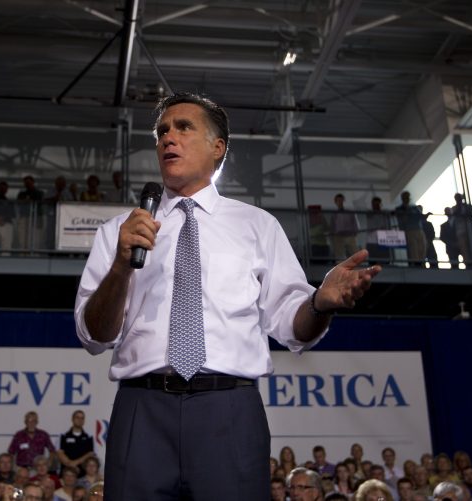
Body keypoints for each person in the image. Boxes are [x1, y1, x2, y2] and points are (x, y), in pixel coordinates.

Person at [74, 92, 380, 500]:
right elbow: (95, 335)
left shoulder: (257, 225)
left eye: (183, 128)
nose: (168, 138)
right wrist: (119, 265)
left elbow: (293, 326)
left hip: (230, 412)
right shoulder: (120, 232)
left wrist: (319, 304)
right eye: (162, 131)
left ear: (218, 147)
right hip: (141, 411)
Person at [57, 410, 94, 476]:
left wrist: (75, 463)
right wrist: (71, 465)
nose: (80, 420)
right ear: (72, 419)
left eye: (82, 418)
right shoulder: (64, 436)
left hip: (83, 474)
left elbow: (90, 454)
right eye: (77, 417)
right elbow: (60, 453)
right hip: (66, 473)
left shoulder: (88, 437)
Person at [395, 191, 426, 267]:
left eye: (408, 197)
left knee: (422, 247)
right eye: (406, 197)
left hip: (419, 229)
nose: (408, 199)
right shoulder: (400, 209)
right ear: (403, 198)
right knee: (413, 248)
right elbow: (402, 219)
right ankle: (416, 264)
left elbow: (420, 216)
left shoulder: (414, 207)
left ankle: (422, 263)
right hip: (409, 230)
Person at [451, 194, 472, 268]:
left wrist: (469, 215)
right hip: (460, 230)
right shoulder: (454, 208)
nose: (459, 200)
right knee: (464, 248)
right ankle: (468, 263)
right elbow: (453, 216)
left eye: (459, 198)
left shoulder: (468, 206)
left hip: (470, 230)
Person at [15, 176, 44, 252]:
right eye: (26, 183)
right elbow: (18, 202)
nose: (27, 184)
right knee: (22, 239)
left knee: (35, 239)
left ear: (33, 182)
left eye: (29, 182)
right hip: (24, 217)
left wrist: (28, 200)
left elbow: (40, 203)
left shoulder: (39, 193)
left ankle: (34, 256)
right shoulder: (22, 194)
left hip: (35, 218)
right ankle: (23, 255)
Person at [330, 193, 359, 261]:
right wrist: (333, 236)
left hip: (349, 235)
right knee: (339, 255)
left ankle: (358, 267)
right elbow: (332, 226)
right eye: (338, 200)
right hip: (338, 236)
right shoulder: (334, 214)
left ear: (343, 200)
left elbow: (354, 223)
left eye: (341, 200)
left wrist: (355, 232)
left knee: (354, 253)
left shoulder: (349, 212)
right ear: (335, 202)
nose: (340, 202)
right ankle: (340, 269)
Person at [366, 197, 390, 264]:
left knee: (384, 259)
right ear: (372, 205)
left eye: (378, 204)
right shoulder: (369, 213)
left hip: (383, 239)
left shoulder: (384, 213)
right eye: (374, 204)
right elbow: (369, 215)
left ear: (380, 204)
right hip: (372, 239)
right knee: (373, 260)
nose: (376, 206)